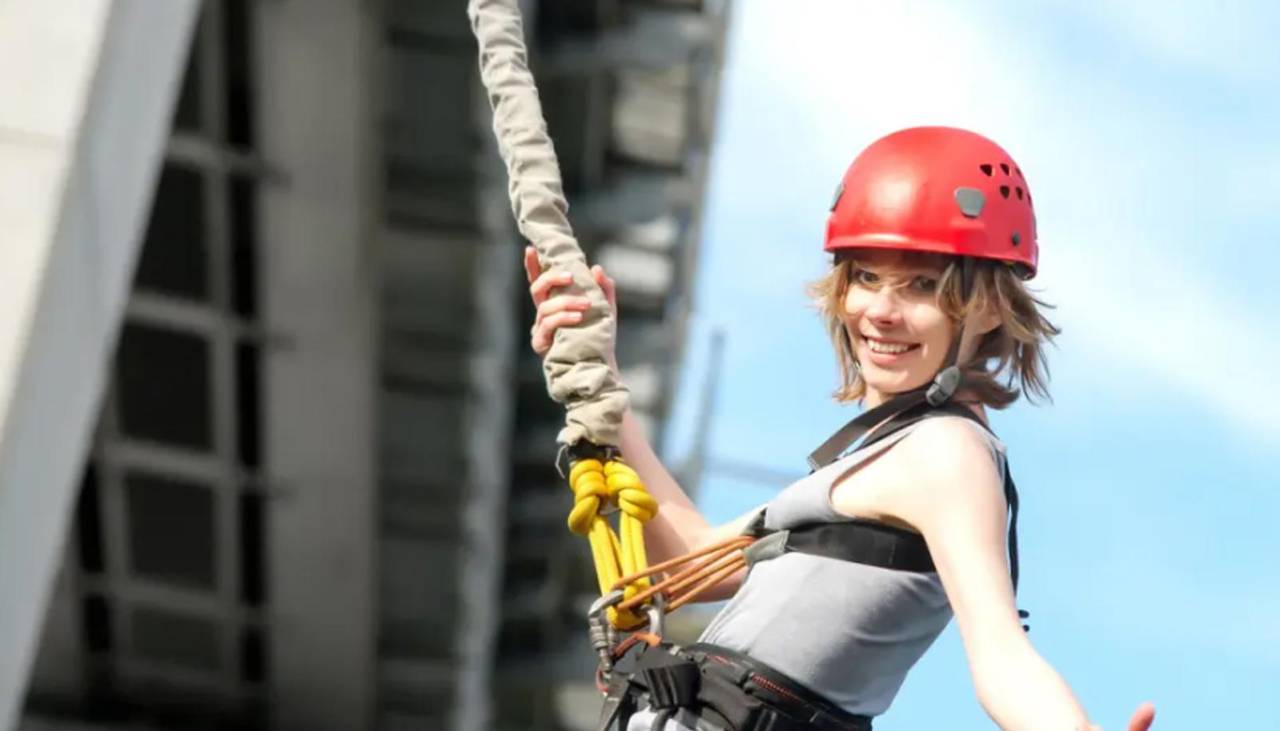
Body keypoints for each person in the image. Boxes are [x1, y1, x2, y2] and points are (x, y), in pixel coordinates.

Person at [523, 127, 1156, 731]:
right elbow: (688, 564)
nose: (880, 311)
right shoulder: (884, 455)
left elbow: (1000, 653)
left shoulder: (947, 454)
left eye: (921, 286)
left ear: (989, 304)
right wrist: (606, 391)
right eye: (867, 278)